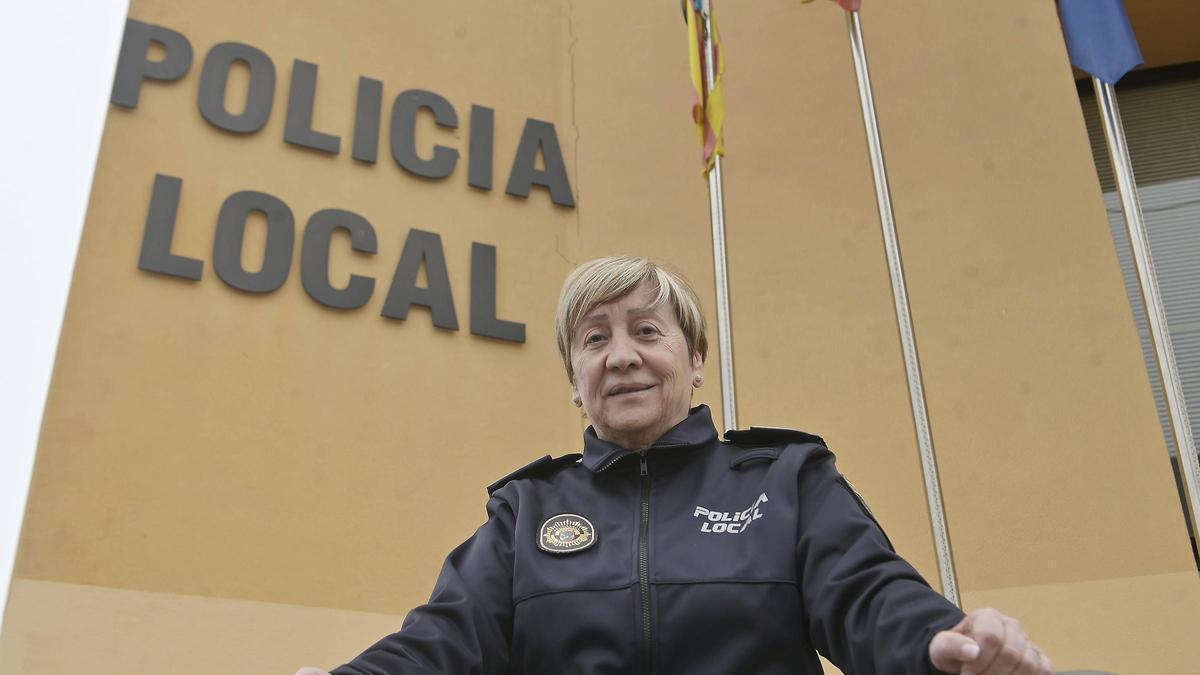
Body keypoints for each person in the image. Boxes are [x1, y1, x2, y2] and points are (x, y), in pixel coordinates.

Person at [295, 256, 1053, 675]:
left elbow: (868, 595)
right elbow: (443, 641)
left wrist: (944, 642)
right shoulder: (525, 511)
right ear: (574, 381)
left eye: (646, 331)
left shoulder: (783, 478)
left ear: (693, 361)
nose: (620, 355)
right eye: (594, 339)